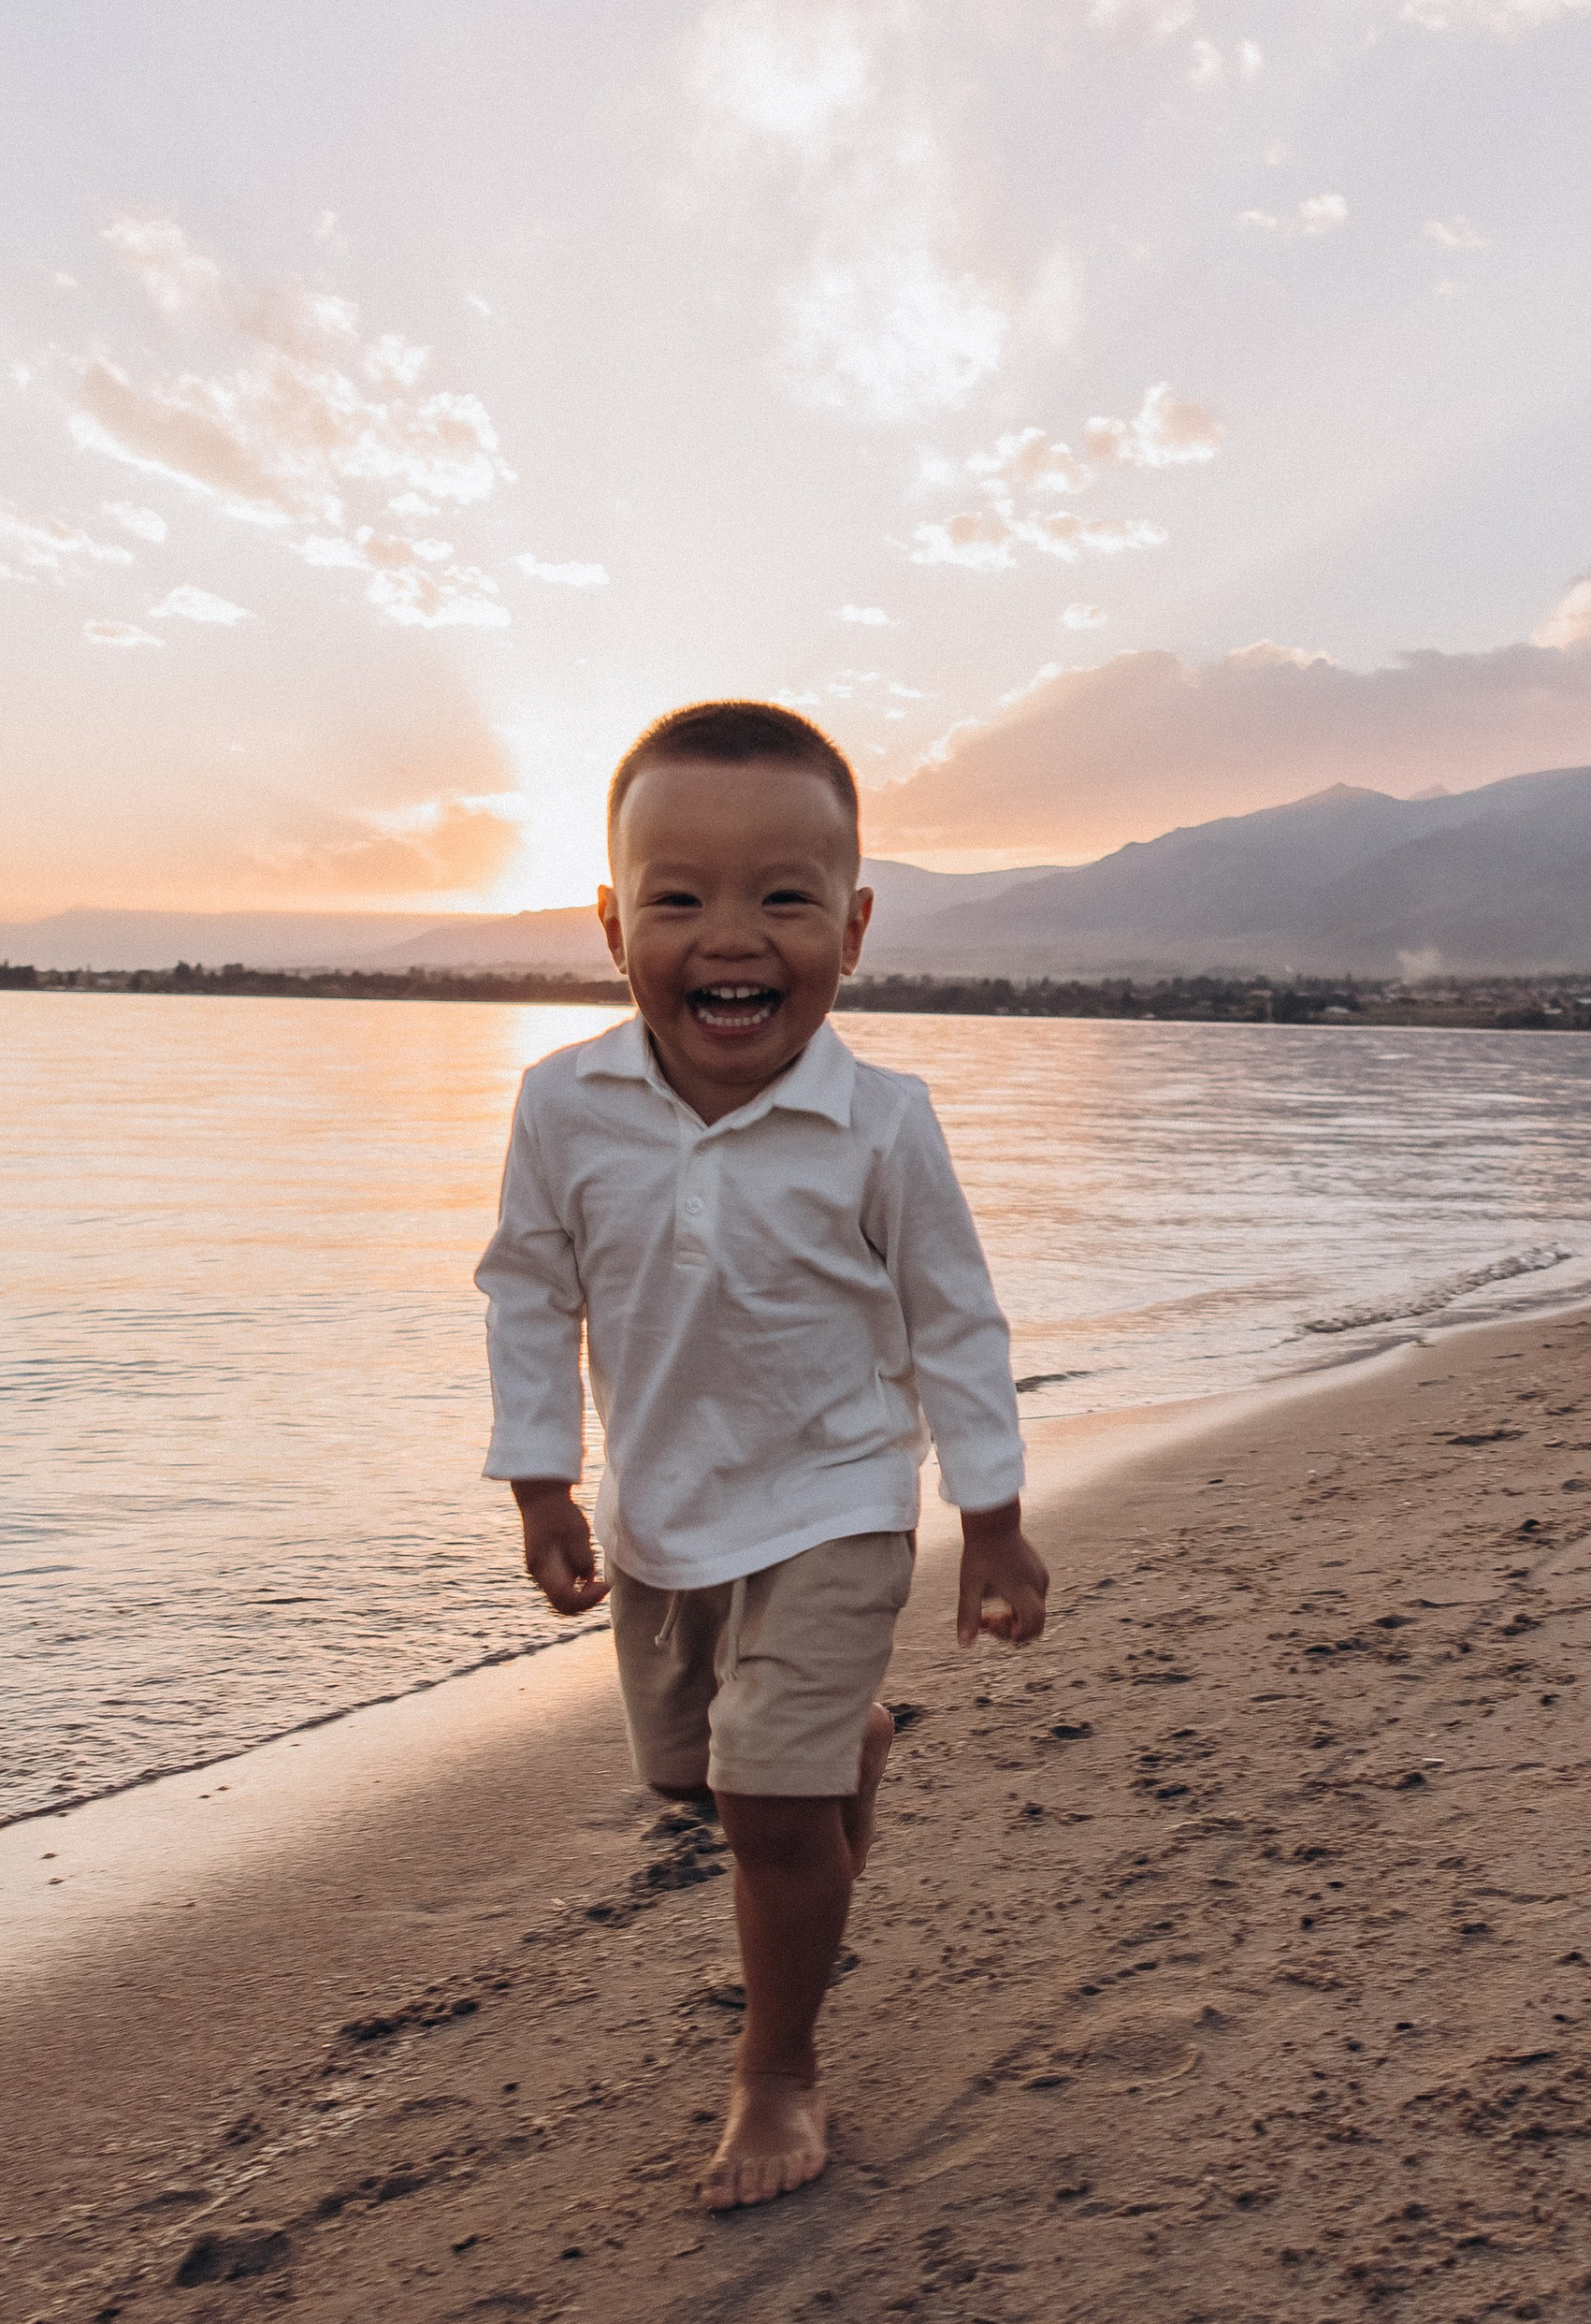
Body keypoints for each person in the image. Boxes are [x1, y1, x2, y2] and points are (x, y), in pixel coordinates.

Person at [475, 700, 1049, 2212]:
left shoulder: (881, 1127)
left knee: (764, 1814)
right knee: (695, 1774)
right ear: (611, 925)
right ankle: (843, 1745)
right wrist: (542, 1483)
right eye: (679, 898)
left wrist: (989, 1518)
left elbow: (958, 1326)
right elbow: (529, 1295)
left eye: (784, 897)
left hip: (842, 1501)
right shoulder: (564, 1107)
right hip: (661, 1517)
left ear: (851, 929)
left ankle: (779, 2066)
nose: (732, 935)